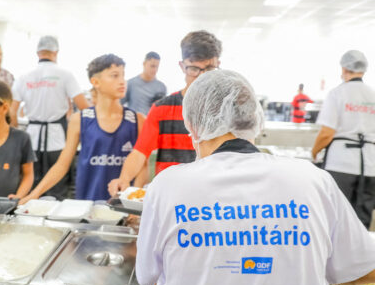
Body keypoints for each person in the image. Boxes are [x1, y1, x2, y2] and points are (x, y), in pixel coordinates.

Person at [137, 69, 375, 285]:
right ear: (254, 118)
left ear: (190, 123)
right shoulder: (311, 179)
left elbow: (148, 276)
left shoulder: (168, 185)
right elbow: (372, 271)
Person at [108, 30, 222, 197]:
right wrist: (124, 179)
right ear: (182, 66)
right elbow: (140, 152)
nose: (202, 77)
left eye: (210, 69)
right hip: (170, 196)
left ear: (218, 64)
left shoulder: (225, 109)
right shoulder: (163, 108)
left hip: (212, 197)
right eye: (194, 69)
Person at [20, 54, 145, 203]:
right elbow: (62, 164)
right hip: (86, 205)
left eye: (123, 75)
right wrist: (34, 194)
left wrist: (134, 202)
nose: (122, 81)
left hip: (123, 206)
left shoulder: (137, 120)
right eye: (114, 76)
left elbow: (143, 167)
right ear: (95, 82)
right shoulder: (80, 119)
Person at [311, 51, 375, 229]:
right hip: (370, 166)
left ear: (344, 68)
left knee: (335, 216)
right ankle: (361, 255)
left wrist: (315, 152)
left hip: (340, 163)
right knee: (362, 217)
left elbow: (326, 133)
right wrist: (369, 147)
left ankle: (334, 256)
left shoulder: (337, 93)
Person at [11, 35, 90, 199]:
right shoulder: (65, 74)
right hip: (58, 138)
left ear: (38, 52)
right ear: (56, 52)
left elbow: (12, 112)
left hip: (31, 138)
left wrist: (16, 137)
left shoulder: (24, 77)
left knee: (32, 184)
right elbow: (84, 108)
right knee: (57, 185)